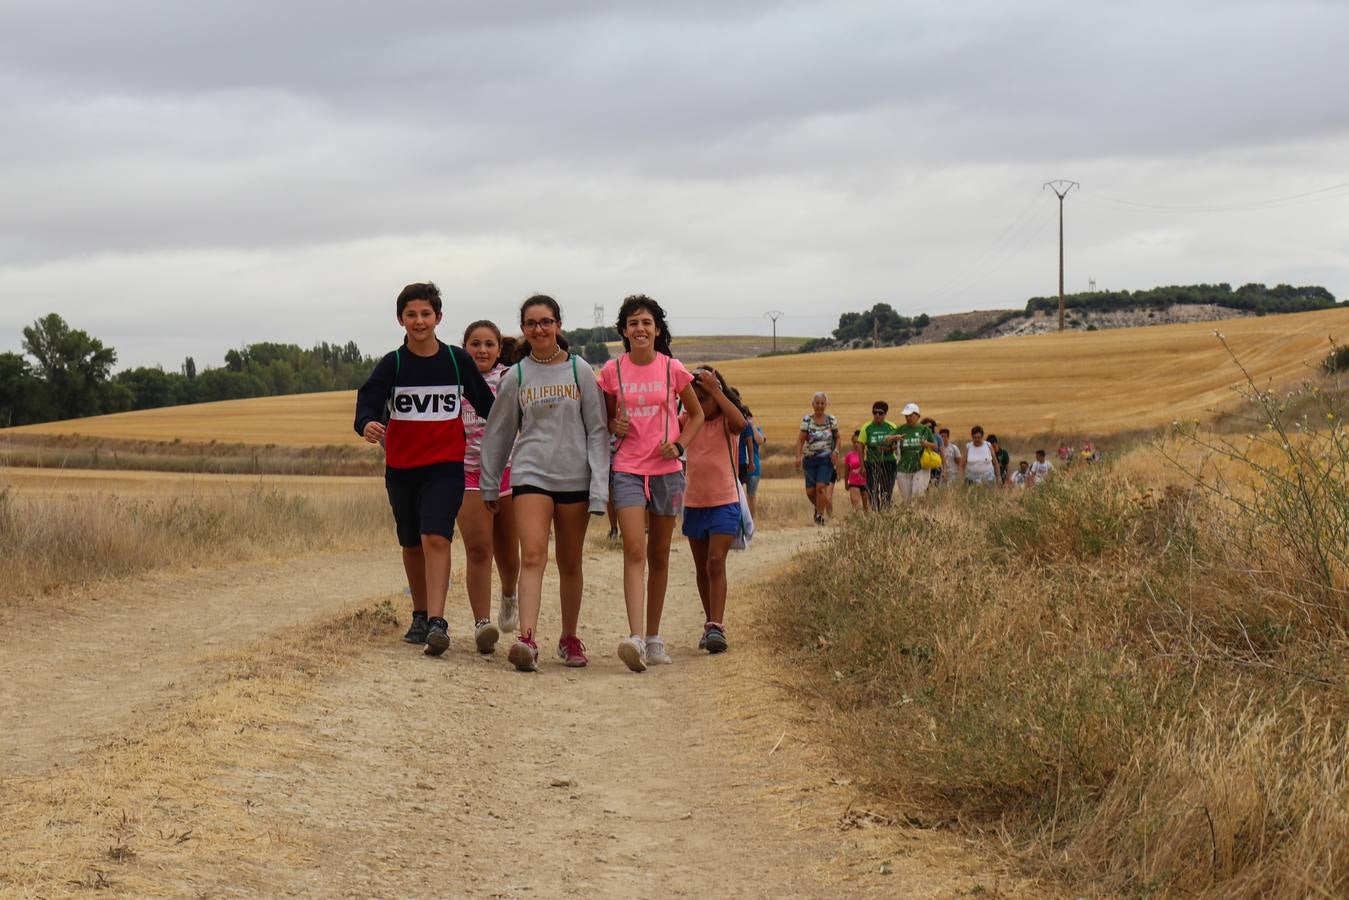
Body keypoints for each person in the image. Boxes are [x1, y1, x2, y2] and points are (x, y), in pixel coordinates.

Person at [354, 282, 496, 656]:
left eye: (426, 314)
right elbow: (367, 401)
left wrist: (516, 425)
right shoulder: (393, 363)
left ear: (438, 318)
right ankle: (419, 614)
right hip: (402, 468)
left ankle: (438, 621)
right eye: (412, 314)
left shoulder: (455, 360)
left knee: (437, 536)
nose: (419, 321)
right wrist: (366, 422)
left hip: (445, 467)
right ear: (400, 319)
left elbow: (486, 404)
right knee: (411, 541)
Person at [479, 295, 610, 672]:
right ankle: (528, 639)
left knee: (570, 562)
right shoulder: (516, 375)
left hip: (575, 478)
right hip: (530, 475)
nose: (539, 329)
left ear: (558, 326)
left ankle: (570, 639)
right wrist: (490, 485)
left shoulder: (579, 370)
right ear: (523, 329)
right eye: (532, 323)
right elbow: (499, 433)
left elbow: (598, 431)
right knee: (532, 556)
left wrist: (599, 487)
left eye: (546, 321)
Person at [598, 294, 704, 671]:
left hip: (666, 471)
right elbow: (606, 419)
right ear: (624, 332)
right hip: (627, 467)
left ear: (657, 329)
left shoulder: (672, 368)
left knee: (659, 554)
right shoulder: (613, 371)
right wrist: (615, 425)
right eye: (632, 324)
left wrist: (679, 446)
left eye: (646, 323)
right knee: (634, 550)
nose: (639, 329)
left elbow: (697, 414)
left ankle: (655, 637)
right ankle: (636, 639)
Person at [457, 320, 521, 647]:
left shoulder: (509, 378)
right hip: (468, 474)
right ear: (465, 347)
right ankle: (482, 625)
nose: (482, 350)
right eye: (475, 344)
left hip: (508, 471)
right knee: (479, 549)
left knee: (509, 554)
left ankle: (509, 595)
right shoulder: (454, 380)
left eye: (488, 344)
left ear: (499, 349)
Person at [680, 367, 748, 655]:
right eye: (693, 399)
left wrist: (717, 390)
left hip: (724, 502)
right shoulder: (685, 420)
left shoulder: (725, 422)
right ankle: (710, 623)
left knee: (715, 561)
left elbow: (741, 423)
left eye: (704, 398)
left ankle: (716, 626)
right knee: (701, 569)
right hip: (693, 503)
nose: (700, 405)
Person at [795, 392, 840, 525]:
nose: (820, 406)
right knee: (810, 491)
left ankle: (820, 515)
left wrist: (836, 451)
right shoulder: (807, 420)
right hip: (809, 459)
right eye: (817, 403)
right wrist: (798, 456)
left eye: (822, 403)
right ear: (813, 405)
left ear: (825, 405)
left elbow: (838, 437)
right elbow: (800, 440)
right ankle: (819, 506)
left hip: (826, 459)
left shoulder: (831, 420)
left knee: (821, 487)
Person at [857, 401, 900, 510]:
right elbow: (860, 447)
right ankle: (876, 513)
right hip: (872, 462)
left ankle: (885, 514)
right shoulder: (866, 428)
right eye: (874, 412)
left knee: (886, 491)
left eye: (880, 413)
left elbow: (897, 445)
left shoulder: (892, 427)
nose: (877, 415)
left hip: (889, 461)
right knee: (872, 490)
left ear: (885, 414)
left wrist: (888, 449)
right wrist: (862, 466)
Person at [894, 403, 938, 502]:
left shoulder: (925, 430)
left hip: (920, 466)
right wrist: (893, 438)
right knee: (907, 499)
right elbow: (887, 439)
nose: (908, 418)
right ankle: (911, 515)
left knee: (917, 496)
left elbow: (935, 446)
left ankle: (918, 514)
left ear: (917, 416)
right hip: (903, 467)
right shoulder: (901, 429)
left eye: (910, 415)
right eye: (906, 416)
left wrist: (926, 444)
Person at [738, 407, 766, 519]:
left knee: (751, 495)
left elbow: (760, 440)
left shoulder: (757, 429)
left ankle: (751, 520)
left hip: (754, 467)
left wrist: (752, 426)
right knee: (738, 495)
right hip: (740, 463)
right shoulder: (738, 429)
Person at [844, 430, 870, 512]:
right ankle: (858, 521)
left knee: (867, 507)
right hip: (853, 483)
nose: (856, 445)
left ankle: (867, 523)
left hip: (866, 482)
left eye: (858, 442)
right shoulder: (849, 455)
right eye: (854, 442)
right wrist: (846, 483)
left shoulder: (867, 454)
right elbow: (846, 471)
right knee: (856, 506)